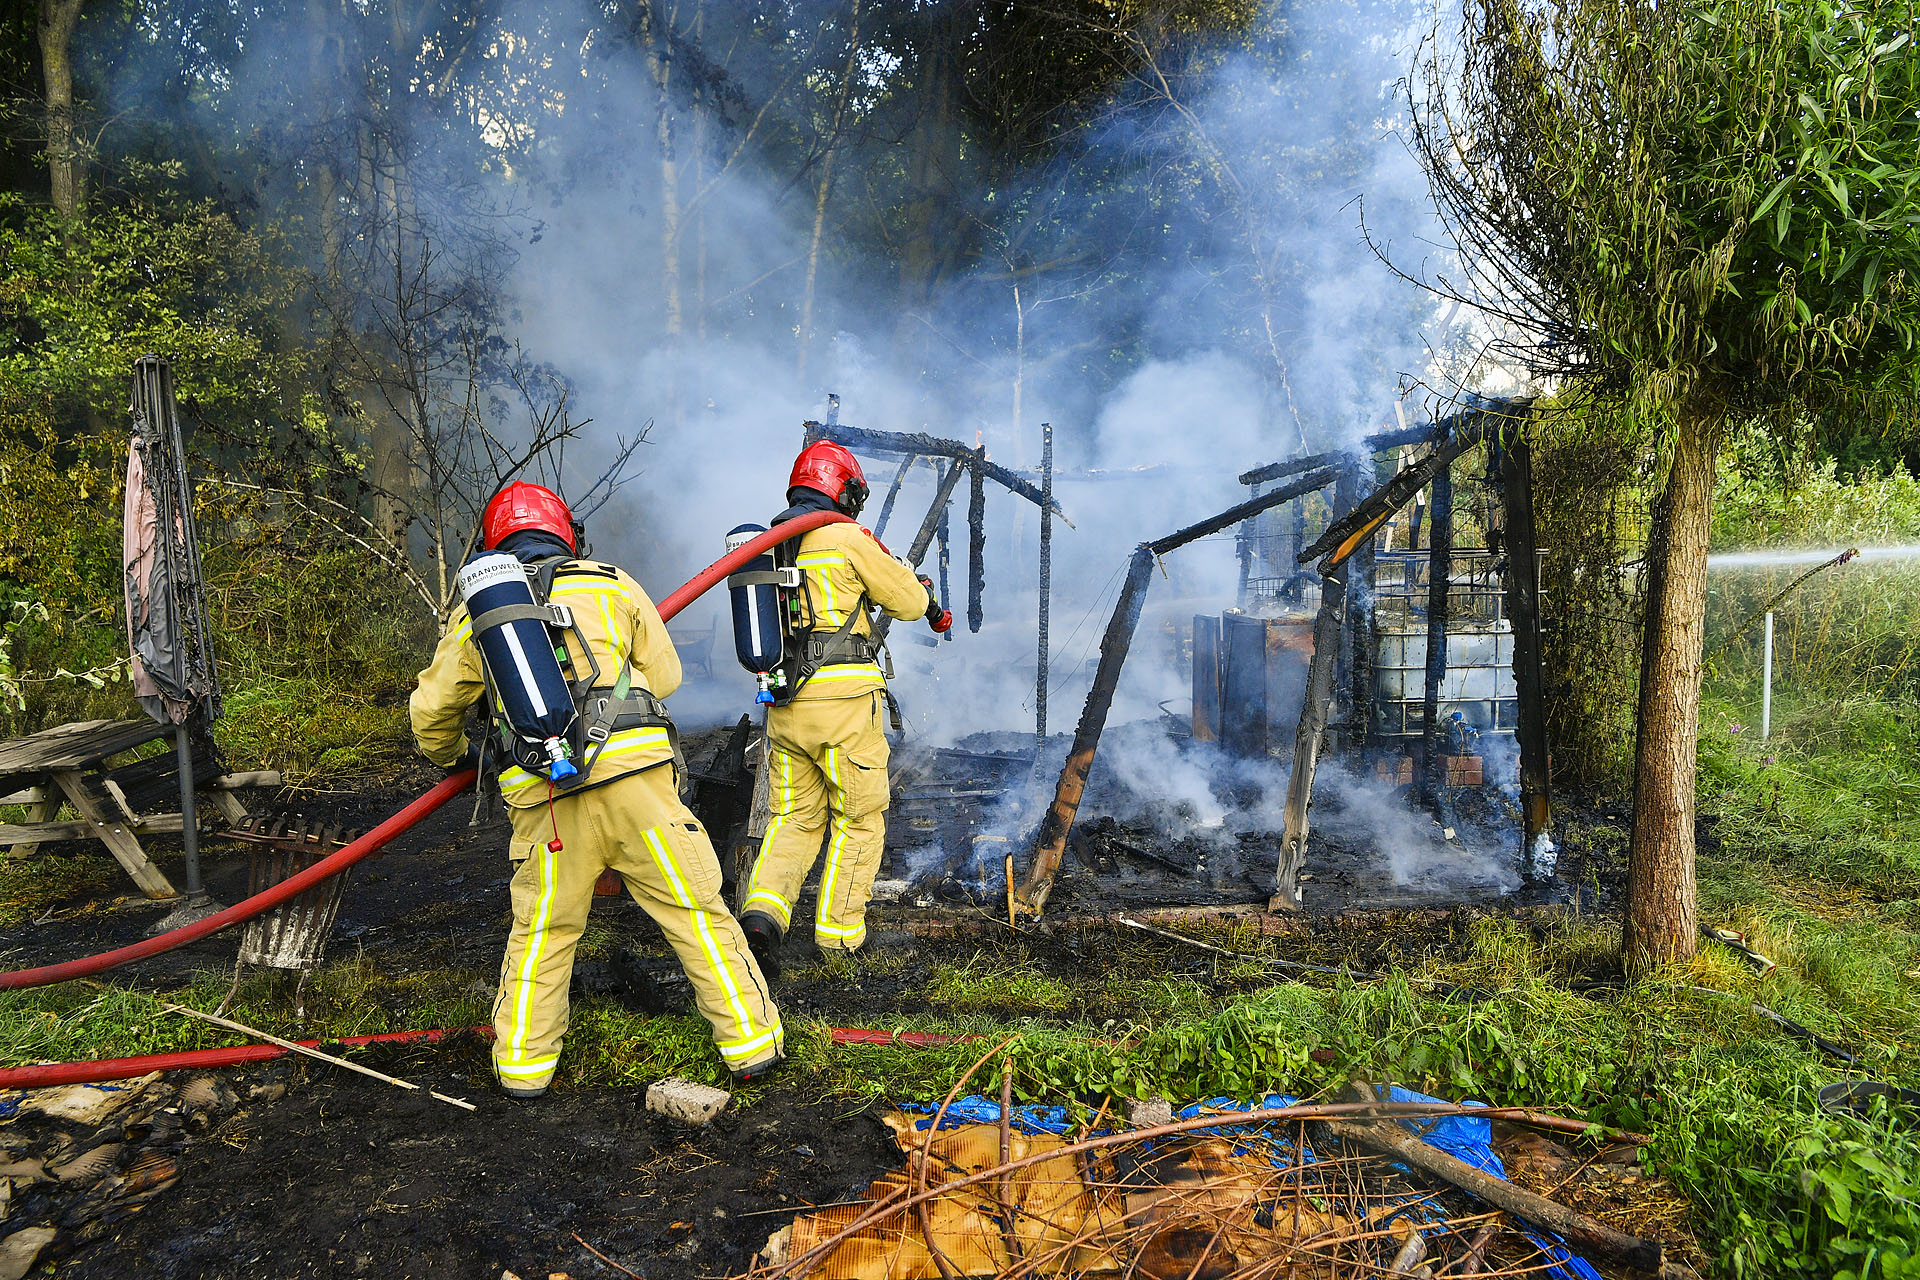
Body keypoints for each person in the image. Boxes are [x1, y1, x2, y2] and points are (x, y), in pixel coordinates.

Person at [410, 482, 782, 1097]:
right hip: (639, 787)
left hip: (546, 805)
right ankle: (752, 1045)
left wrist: (460, 756)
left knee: (543, 935)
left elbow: (431, 715)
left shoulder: (480, 612)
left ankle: (524, 1070)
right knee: (696, 913)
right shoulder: (610, 583)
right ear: (567, 534)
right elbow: (667, 675)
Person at [737, 442, 949, 963]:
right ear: (843, 490)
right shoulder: (845, 538)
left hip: (785, 704)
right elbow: (907, 600)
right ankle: (839, 938)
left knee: (793, 818)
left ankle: (762, 916)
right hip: (845, 705)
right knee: (859, 818)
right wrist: (924, 595)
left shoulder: (769, 544)